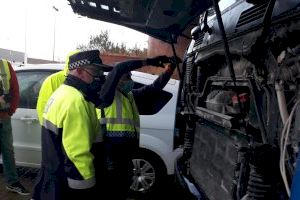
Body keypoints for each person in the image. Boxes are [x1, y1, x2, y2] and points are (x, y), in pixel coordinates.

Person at [31, 49, 170, 200]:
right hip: (73, 178)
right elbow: (77, 155)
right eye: (95, 72)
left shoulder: (65, 95)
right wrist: (89, 188)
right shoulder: (76, 101)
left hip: (58, 176)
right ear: (79, 71)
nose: (99, 77)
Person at [99, 56, 181, 199]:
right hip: (111, 153)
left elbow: (153, 89)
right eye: (127, 76)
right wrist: (149, 62)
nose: (130, 80)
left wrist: (170, 69)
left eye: (130, 76)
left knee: (124, 187)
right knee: (112, 189)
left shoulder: (130, 95)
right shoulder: (107, 95)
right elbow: (119, 68)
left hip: (127, 152)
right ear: (116, 79)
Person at [0, 59, 30, 195]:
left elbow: (15, 90)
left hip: (3, 117)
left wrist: (10, 111)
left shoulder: (5, 65)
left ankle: (12, 182)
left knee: (8, 151)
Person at [36, 50, 79, 124]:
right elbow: (43, 108)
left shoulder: (87, 80)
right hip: (59, 128)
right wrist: (49, 131)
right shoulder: (52, 80)